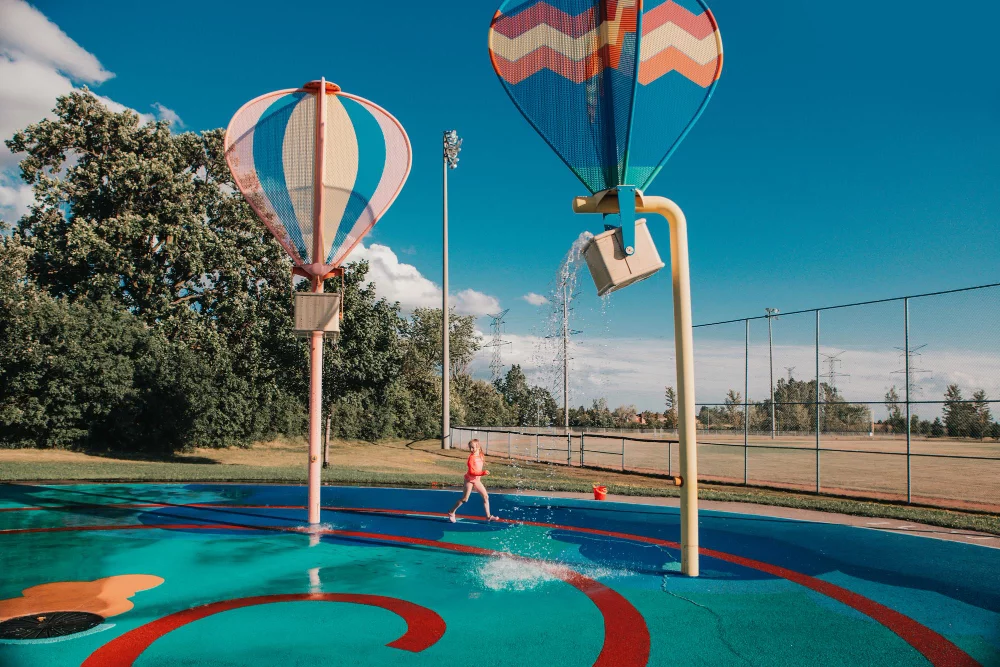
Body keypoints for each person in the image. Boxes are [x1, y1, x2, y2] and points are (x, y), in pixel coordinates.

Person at [447, 439, 498, 523]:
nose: (471, 450)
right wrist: (482, 473)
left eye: (472, 448)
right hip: (469, 480)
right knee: (465, 499)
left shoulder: (481, 455)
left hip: (477, 481)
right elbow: (472, 472)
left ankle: (488, 516)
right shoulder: (471, 458)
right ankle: (451, 512)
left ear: (478, 447)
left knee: (486, 497)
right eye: (470, 448)